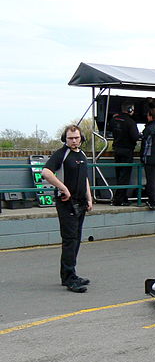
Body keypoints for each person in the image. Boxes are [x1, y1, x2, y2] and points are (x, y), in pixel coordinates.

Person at [42, 125, 93, 293]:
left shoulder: (82, 154)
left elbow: (84, 177)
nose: (73, 141)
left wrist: (89, 197)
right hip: (66, 203)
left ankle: (70, 274)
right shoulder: (61, 154)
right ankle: (69, 278)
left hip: (81, 202)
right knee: (70, 240)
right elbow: (46, 172)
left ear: (81, 138)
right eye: (70, 138)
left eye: (76, 138)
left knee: (76, 239)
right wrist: (63, 188)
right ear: (65, 138)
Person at [107, 101, 140, 206]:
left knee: (119, 175)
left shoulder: (114, 119)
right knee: (125, 176)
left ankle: (122, 197)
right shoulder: (130, 122)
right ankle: (119, 199)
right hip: (127, 151)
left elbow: (109, 128)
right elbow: (135, 136)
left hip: (117, 150)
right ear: (130, 109)